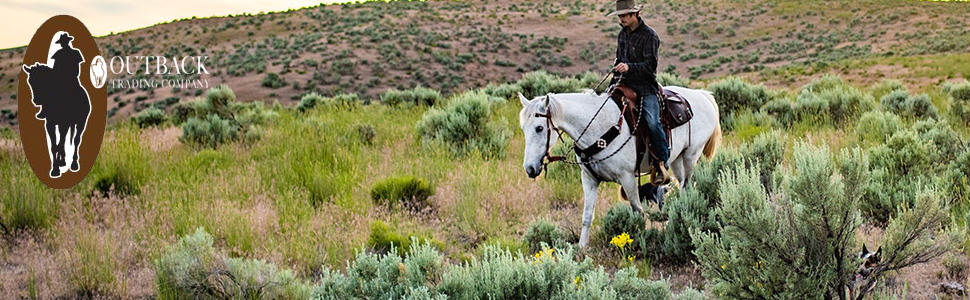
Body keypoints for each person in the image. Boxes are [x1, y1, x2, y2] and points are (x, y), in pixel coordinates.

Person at [608, 0, 669, 183]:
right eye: (619, 16)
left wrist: (628, 67)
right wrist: (614, 76)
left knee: (652, 122)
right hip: (623, 85)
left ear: (635, 15)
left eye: (624, 16)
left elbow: (650, 65)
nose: (621, 19)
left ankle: (662, 163)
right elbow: (620, 58)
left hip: (645, 86)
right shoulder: (622, 34)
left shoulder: (650, 35)